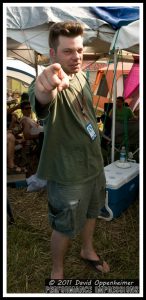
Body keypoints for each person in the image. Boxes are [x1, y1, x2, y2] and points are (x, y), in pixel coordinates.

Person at [29, 21, 110, 279]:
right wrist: (44, 89)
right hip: (68, 173)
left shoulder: (81, 75)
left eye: (78, 49)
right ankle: (57, 271)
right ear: (53, 53)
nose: (76, 56)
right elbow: (41, 97)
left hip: (94, 165)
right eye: (67, 51)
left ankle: (87, 250)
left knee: (92, 211)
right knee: (64, 226)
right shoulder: (52, 80)